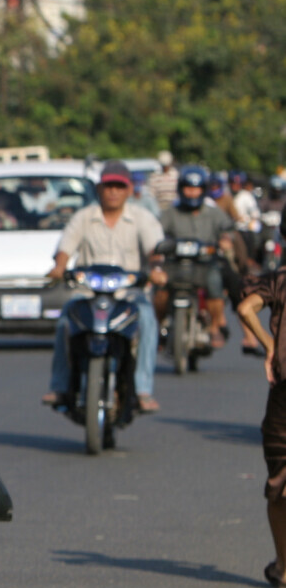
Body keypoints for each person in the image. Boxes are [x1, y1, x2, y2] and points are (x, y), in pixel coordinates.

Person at [41, 160, 166, 412]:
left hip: (127, 294)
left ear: (129, 190)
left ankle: (142, 389)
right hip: (88, 293)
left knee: (147, 321)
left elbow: (155, 250)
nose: (113, 192)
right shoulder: (84, 217)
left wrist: (156, 270)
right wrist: (59, 267)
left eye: (119, 186)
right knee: (66, 320)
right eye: (108, 186)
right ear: (99, 188)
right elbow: (65, 248)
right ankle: (60, 385)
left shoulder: (142, 218)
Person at [159, 165, 247, 351]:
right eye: (188, 188)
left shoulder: (213, 212)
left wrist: (225, 240)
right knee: (160, 288)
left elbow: (227, 229)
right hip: (176, 264)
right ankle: (159, 326)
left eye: (196, 188)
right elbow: (156, 231)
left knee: (215, 284)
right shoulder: (171, 213)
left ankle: (214, 325)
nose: (192, 193)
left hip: (205, 264)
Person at [235, 274, 286, 588]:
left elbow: (244, 309)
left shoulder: (280, 280)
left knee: (279, 477)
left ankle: (283, 566)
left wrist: (269, 348)